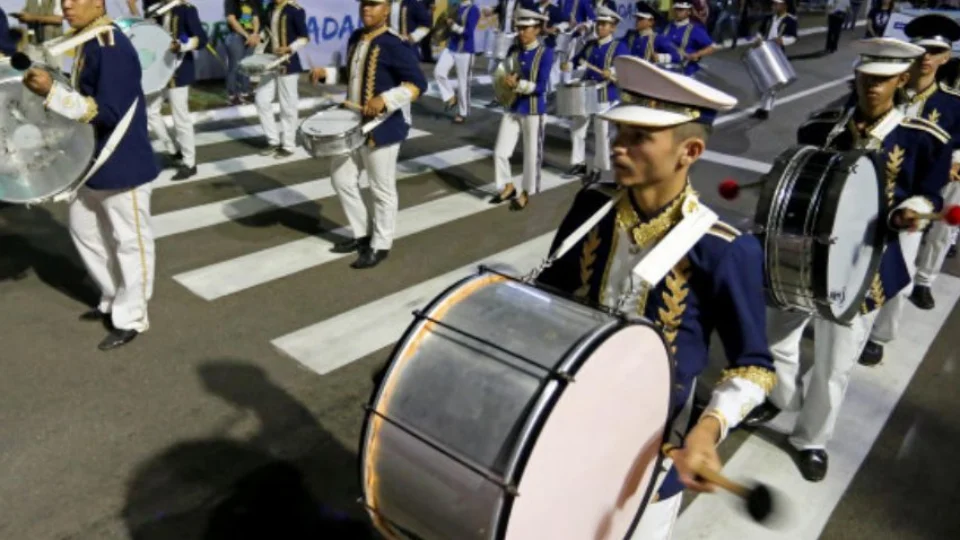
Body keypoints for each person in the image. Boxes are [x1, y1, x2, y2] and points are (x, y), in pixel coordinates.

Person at [536, 55, 776, 538]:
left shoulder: (723, 248)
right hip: (568, 421)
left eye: (638, 138)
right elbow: (548, 293)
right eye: (619, 132)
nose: (619, 148)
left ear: (688, 151)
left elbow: (754, 367)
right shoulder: (592, 205)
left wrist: (707, 431)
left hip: (650, 450)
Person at [744, 38, 952, 482]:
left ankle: (811, 439)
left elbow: (932, 195)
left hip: (866, 264)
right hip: (801, 255)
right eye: (866, 77)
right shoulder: (820, 127)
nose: (873, 87)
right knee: (775, 338)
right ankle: (781, 397)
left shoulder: (922, 140)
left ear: (901, 80)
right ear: (855, 76)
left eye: (883, 80)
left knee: (834, 364)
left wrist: (913, 209)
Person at [22, 0, 159, 350]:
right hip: (89, 162)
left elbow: (109, 112)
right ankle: (112, 299)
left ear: (98, 2)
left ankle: (132, 316)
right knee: (85, 232)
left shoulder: (110, 46)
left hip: (120, 160)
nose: (66, 5)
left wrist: (52, 93)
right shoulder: (88, 38)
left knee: (130, 242)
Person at [309, 0, 427, 270]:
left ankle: (381, 244)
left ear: (387, 10)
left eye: (374, 5)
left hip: (383, 127)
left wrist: (384, 99)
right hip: (351, 124)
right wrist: (325, 73)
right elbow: (352, 74)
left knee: (381, 189)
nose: (367, 9)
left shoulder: (396, 44)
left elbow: (418, 84)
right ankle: (362, 235)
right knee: (341, 179)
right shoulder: (356, 37)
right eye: (364, 4)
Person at [899, 15, 960, 313]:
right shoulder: (894, 92)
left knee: (942, 230)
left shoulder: (952, 102)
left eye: (935, 51)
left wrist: (955, 162)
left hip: (948, 170)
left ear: (946, 56)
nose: (926, 56)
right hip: (903, 173)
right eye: (922, 48)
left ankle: (924, 280)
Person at [490, 8, 553, 211]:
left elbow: (542, 86)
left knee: (531, 154)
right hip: (513, 107)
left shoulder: (545, 53)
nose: (521, 32)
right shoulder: (514, 51)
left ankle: (526, 192)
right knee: (500, 151)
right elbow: (504, 73)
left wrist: (518, 85)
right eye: (519, 28)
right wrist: (505, 81)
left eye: (526, 28)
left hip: (534, 109)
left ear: (537, 29)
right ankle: (507, 185)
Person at [563, 6, 627, 183]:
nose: (600, 27)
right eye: (599, 24)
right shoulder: (590, 45)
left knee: (601, 133)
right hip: (587, 90)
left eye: (605, 25)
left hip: (605, 94)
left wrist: (612, 72)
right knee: (577, 127)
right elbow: (578, 60)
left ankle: (598, 168)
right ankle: (578, 163)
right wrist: (569, 64)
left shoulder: (618, 47)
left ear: (613, 28)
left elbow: (625, 68)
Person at [145, 0, 207, 180]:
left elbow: (201, 38)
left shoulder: (185, 9)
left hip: (178, 70)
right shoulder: (156, 9)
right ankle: (173, 149)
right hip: (157, 71)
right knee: (150, 112)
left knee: (180, 117)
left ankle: (190, 162)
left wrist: (182, 45)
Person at [255, 0, 308, 158]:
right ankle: (273, 141)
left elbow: (304, 37)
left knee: (288, 106)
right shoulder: (270, 7)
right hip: (270, 62)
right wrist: (258, 39)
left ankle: (288, 145)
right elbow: (266, 32)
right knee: (261, 100)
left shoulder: (295, 10)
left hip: (288, 63)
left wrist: (290, 48)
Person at [435, 0, 479, 124]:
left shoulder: (473, 9)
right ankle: (450, 97)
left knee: (463, 83)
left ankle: (462, 112)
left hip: (465, 50)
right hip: (451, 47)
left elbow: (468, 33)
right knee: (439, 72)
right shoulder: (455, 6)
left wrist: (452, 25)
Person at [751, 0, 797, 120]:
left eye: (777, 4)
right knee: (762, 79)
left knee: (773, 83)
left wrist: (783, 40)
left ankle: (765, 109)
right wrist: (758, 39)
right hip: (764, 51)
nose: (774, 6)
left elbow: (793, 37)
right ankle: (762, 105)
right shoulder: (769, 18)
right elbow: (760, 32)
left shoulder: (790, 20)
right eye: (774, 4)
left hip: (777, 54)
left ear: (785, 5)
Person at [660, 1, 716, 78]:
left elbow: (711, 47)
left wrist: (696, 54)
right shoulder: (668, 26)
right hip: (663, 65)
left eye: (681, 10)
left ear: (689, 11)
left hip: (684, 69)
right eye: (676, 9)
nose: (678, 12)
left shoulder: (695, 29)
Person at [622, 2, 681, 69]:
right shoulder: (630, 35)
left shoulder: (658, 39)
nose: (637, 21)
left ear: (651, 22)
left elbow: (677, 56)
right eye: (637, 18)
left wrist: (659, 57)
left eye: (641, 19)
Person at [224, 0, 261, 105]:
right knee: (235, 66)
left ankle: (245, 93)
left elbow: (256, 18)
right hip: (236, 36)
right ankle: (232, 95)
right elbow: (232, 20)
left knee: (247, 66)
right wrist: (246, 35)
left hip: (250, 37)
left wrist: (255, 34)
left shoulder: (253, 2)